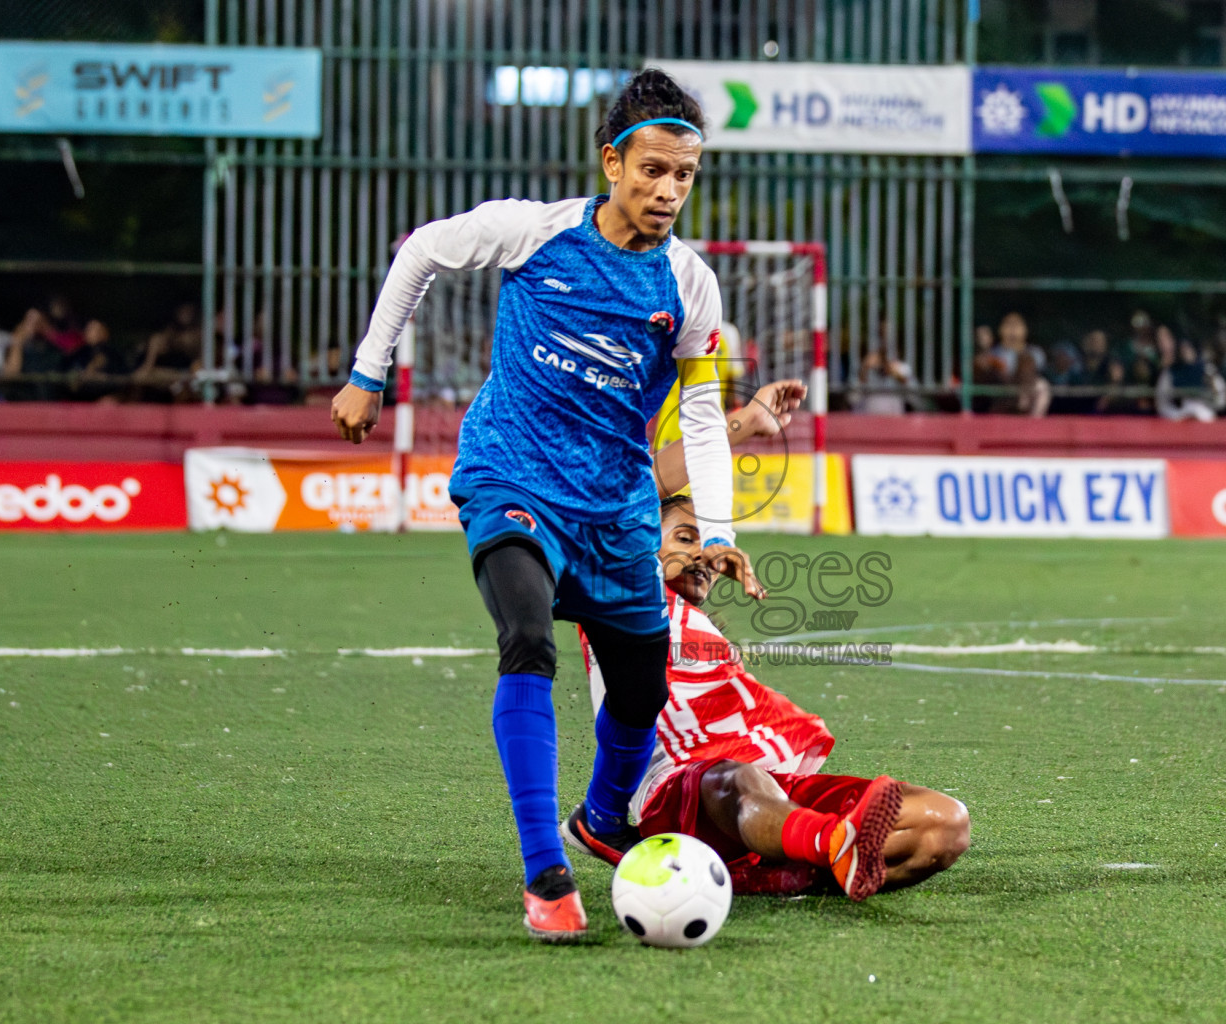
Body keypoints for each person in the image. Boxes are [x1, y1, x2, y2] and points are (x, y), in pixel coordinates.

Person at [329, 68, 763, 943]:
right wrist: (367, 372)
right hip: (512, 480)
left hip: (615, 513)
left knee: (640, 690)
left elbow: (707, 416)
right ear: (613, 162)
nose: (668, 190)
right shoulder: (533, 232)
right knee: (526, 638)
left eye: (685, 176)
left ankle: (600, 825)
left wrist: (715, 531)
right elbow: (419, 250)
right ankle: (545, 873)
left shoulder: (690, 286)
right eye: (653, 170)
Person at [572, 421, 970, 900]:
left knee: (944, 824)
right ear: (637, 540)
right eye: (683, 537)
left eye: (709, 544)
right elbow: (632, 488)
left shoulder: (705, 635)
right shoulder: (621, 597)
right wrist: (741, 427)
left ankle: (787, 872)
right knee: (739, 777)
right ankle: (827, 844)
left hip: (771, 793)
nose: (701, 554)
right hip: (681, 792)